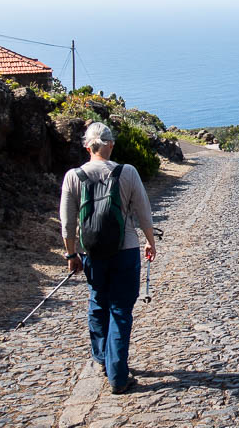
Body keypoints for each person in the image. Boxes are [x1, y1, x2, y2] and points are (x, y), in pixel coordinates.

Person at [60, 122, 156, 394]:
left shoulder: (73, 177)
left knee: (98, 302)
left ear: (87, 146)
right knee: (121, 310)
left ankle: (103, 358)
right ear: (110, 144)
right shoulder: (128, 173)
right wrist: (150, 242)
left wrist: (71, 253)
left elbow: (67, 223)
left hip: (92, 252)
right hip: (125, 250)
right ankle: (117, 374)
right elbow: (143, 212)